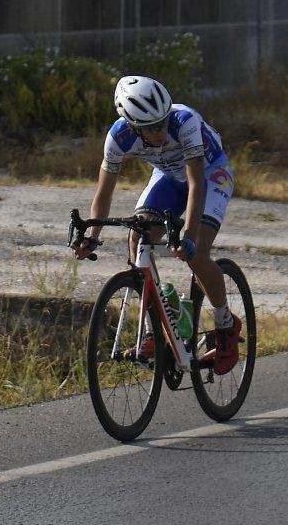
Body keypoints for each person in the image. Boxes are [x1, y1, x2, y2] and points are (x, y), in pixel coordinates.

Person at [74, 75, 241, 371]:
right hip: (166, 177)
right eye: (152, 128)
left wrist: (187, 235)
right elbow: (104, 191)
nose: (161, 130)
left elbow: (196, 184)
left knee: (196, 253)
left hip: (210, 175)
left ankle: (225, 324)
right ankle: (157, 325)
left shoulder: (185, 122)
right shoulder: (118, 138)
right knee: (138, 238)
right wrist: (93, 235)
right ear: (132, 125)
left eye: (163, 122)